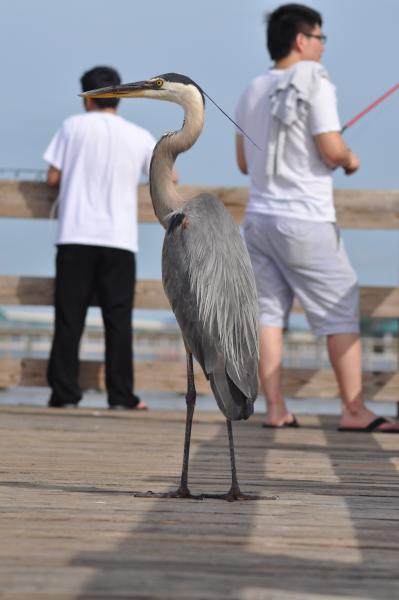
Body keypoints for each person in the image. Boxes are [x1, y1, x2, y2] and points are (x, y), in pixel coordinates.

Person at [235, 4, 399, 432]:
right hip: (304, 218)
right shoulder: (315, 79)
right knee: (341, 309)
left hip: (258, 220)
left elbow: (242, 162)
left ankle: (274, 409)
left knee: (268, 314)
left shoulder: (252, 89)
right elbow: (329, 147)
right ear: (301, 40)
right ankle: (354, 410)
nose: (324, 47)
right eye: (321, 38)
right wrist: (349, 159)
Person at [44, 65, 156, 410]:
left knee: (69, 318)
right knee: (118, 320)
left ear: (86, 98)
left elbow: (52, 177)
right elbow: (167, 175)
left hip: (76, 234)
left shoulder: (72, 127)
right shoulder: (139, 136)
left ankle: (64, 393)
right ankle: (121, 395)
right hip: (119, 239)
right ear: (120, 96)